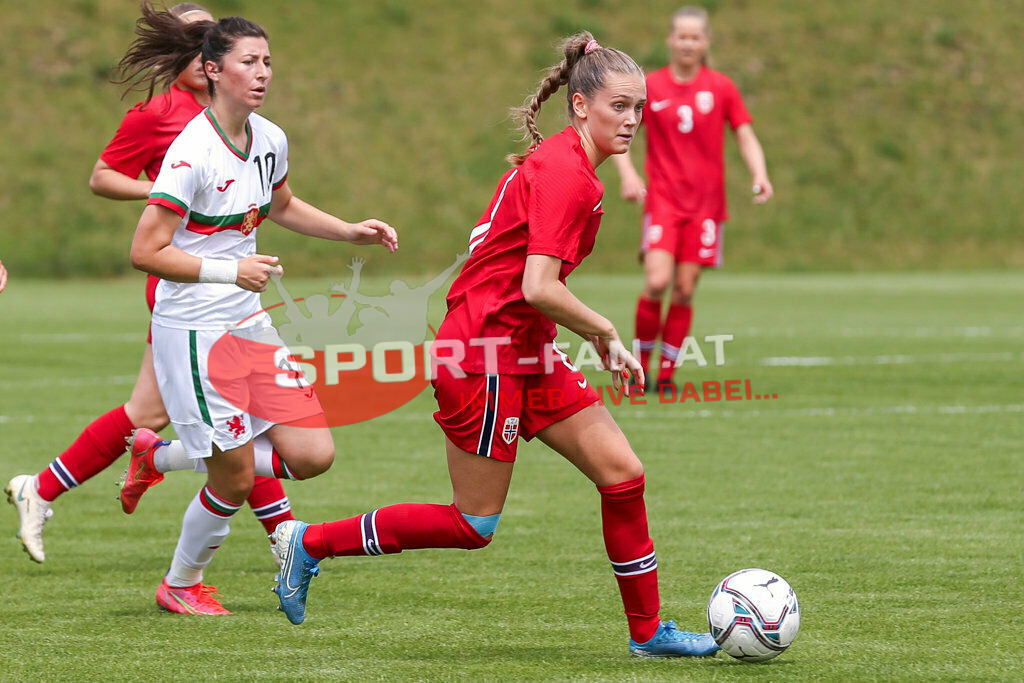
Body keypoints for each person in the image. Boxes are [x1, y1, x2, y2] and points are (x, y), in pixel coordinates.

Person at [270, 32, 719, 659]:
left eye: (640, 108)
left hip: (524, 348)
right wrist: (605, 331)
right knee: (472, 523)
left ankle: (648, 633)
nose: (633, 120)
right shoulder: (568, 174)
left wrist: (586, 334)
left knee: (623, 476)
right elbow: (539, 286)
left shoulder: (571, 165)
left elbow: (531, 290)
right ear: (581, 106)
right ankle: (308, 542)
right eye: (620, 106)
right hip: (482, 353)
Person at [123, 3, 397, 615]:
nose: (263, 72)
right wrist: (230, 269)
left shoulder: (269, 136)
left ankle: (159, 454)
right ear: (214, 70)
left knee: (313, 455)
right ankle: (181, 584)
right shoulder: (192, 151)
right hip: (194, 329)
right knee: (236, 478)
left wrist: (351, 230)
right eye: (249, 62)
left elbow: (282, 205)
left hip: (247, 321)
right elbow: (146, 250)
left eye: (268, 61)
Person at [3, 3, 297, 566]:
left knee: (166, 415)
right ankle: (282, 537)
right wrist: (165, 196)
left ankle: (43, 488)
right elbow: (102, 176)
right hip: (185, 283)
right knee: (206, 417)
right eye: (204, 37)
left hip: (227, 289)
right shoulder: (161, 116)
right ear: (204, 59)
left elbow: (277, 198)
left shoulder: (248, 121)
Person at [613, 6, 773, 393]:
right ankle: (641, 369)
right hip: (664, 202)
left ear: (705, 43)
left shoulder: (721, 87)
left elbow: (744, 134)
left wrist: (759, 173)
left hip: (705, 207)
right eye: (681, 36)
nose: (688, 43)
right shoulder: (649, 87)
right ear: (670, 40)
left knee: (684, 289)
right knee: (657, 280)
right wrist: (630, 175)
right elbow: (620, 130)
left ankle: (666, 376)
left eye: (695, 37)